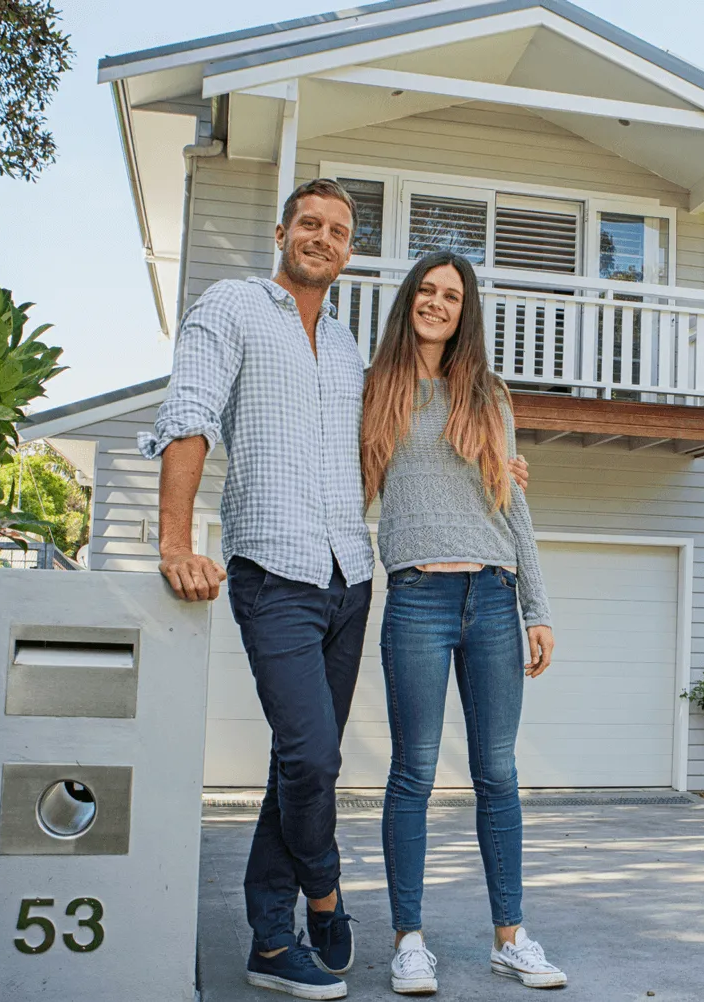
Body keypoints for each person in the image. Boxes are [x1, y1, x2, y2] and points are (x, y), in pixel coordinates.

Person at [141, 180, 529, 1000]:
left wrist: (496, 469)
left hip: (350, 578)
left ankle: (271, 941)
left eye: (338, 230)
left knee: (298, 759)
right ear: (282, 230)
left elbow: (407, 453)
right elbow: (190, 412)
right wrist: (175, 542)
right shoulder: (234, 306)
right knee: (315, 755)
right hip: (273, 571)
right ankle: (322, 893)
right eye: (308, 224)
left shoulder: (353, 352)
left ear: (350, 253)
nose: (321, 237)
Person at [361, 250, 567, 995]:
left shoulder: (487, 393)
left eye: (451, 295)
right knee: (413, 772)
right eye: (427, 290)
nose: (437, 303)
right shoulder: (377, 389)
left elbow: (514, 504)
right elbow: (352, 491)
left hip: (494, 598)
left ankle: (510, 937)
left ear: (464, 309)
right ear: (409, 300)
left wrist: (537, 608)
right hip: (417, 597)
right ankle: (408, 940)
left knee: (498, 774)